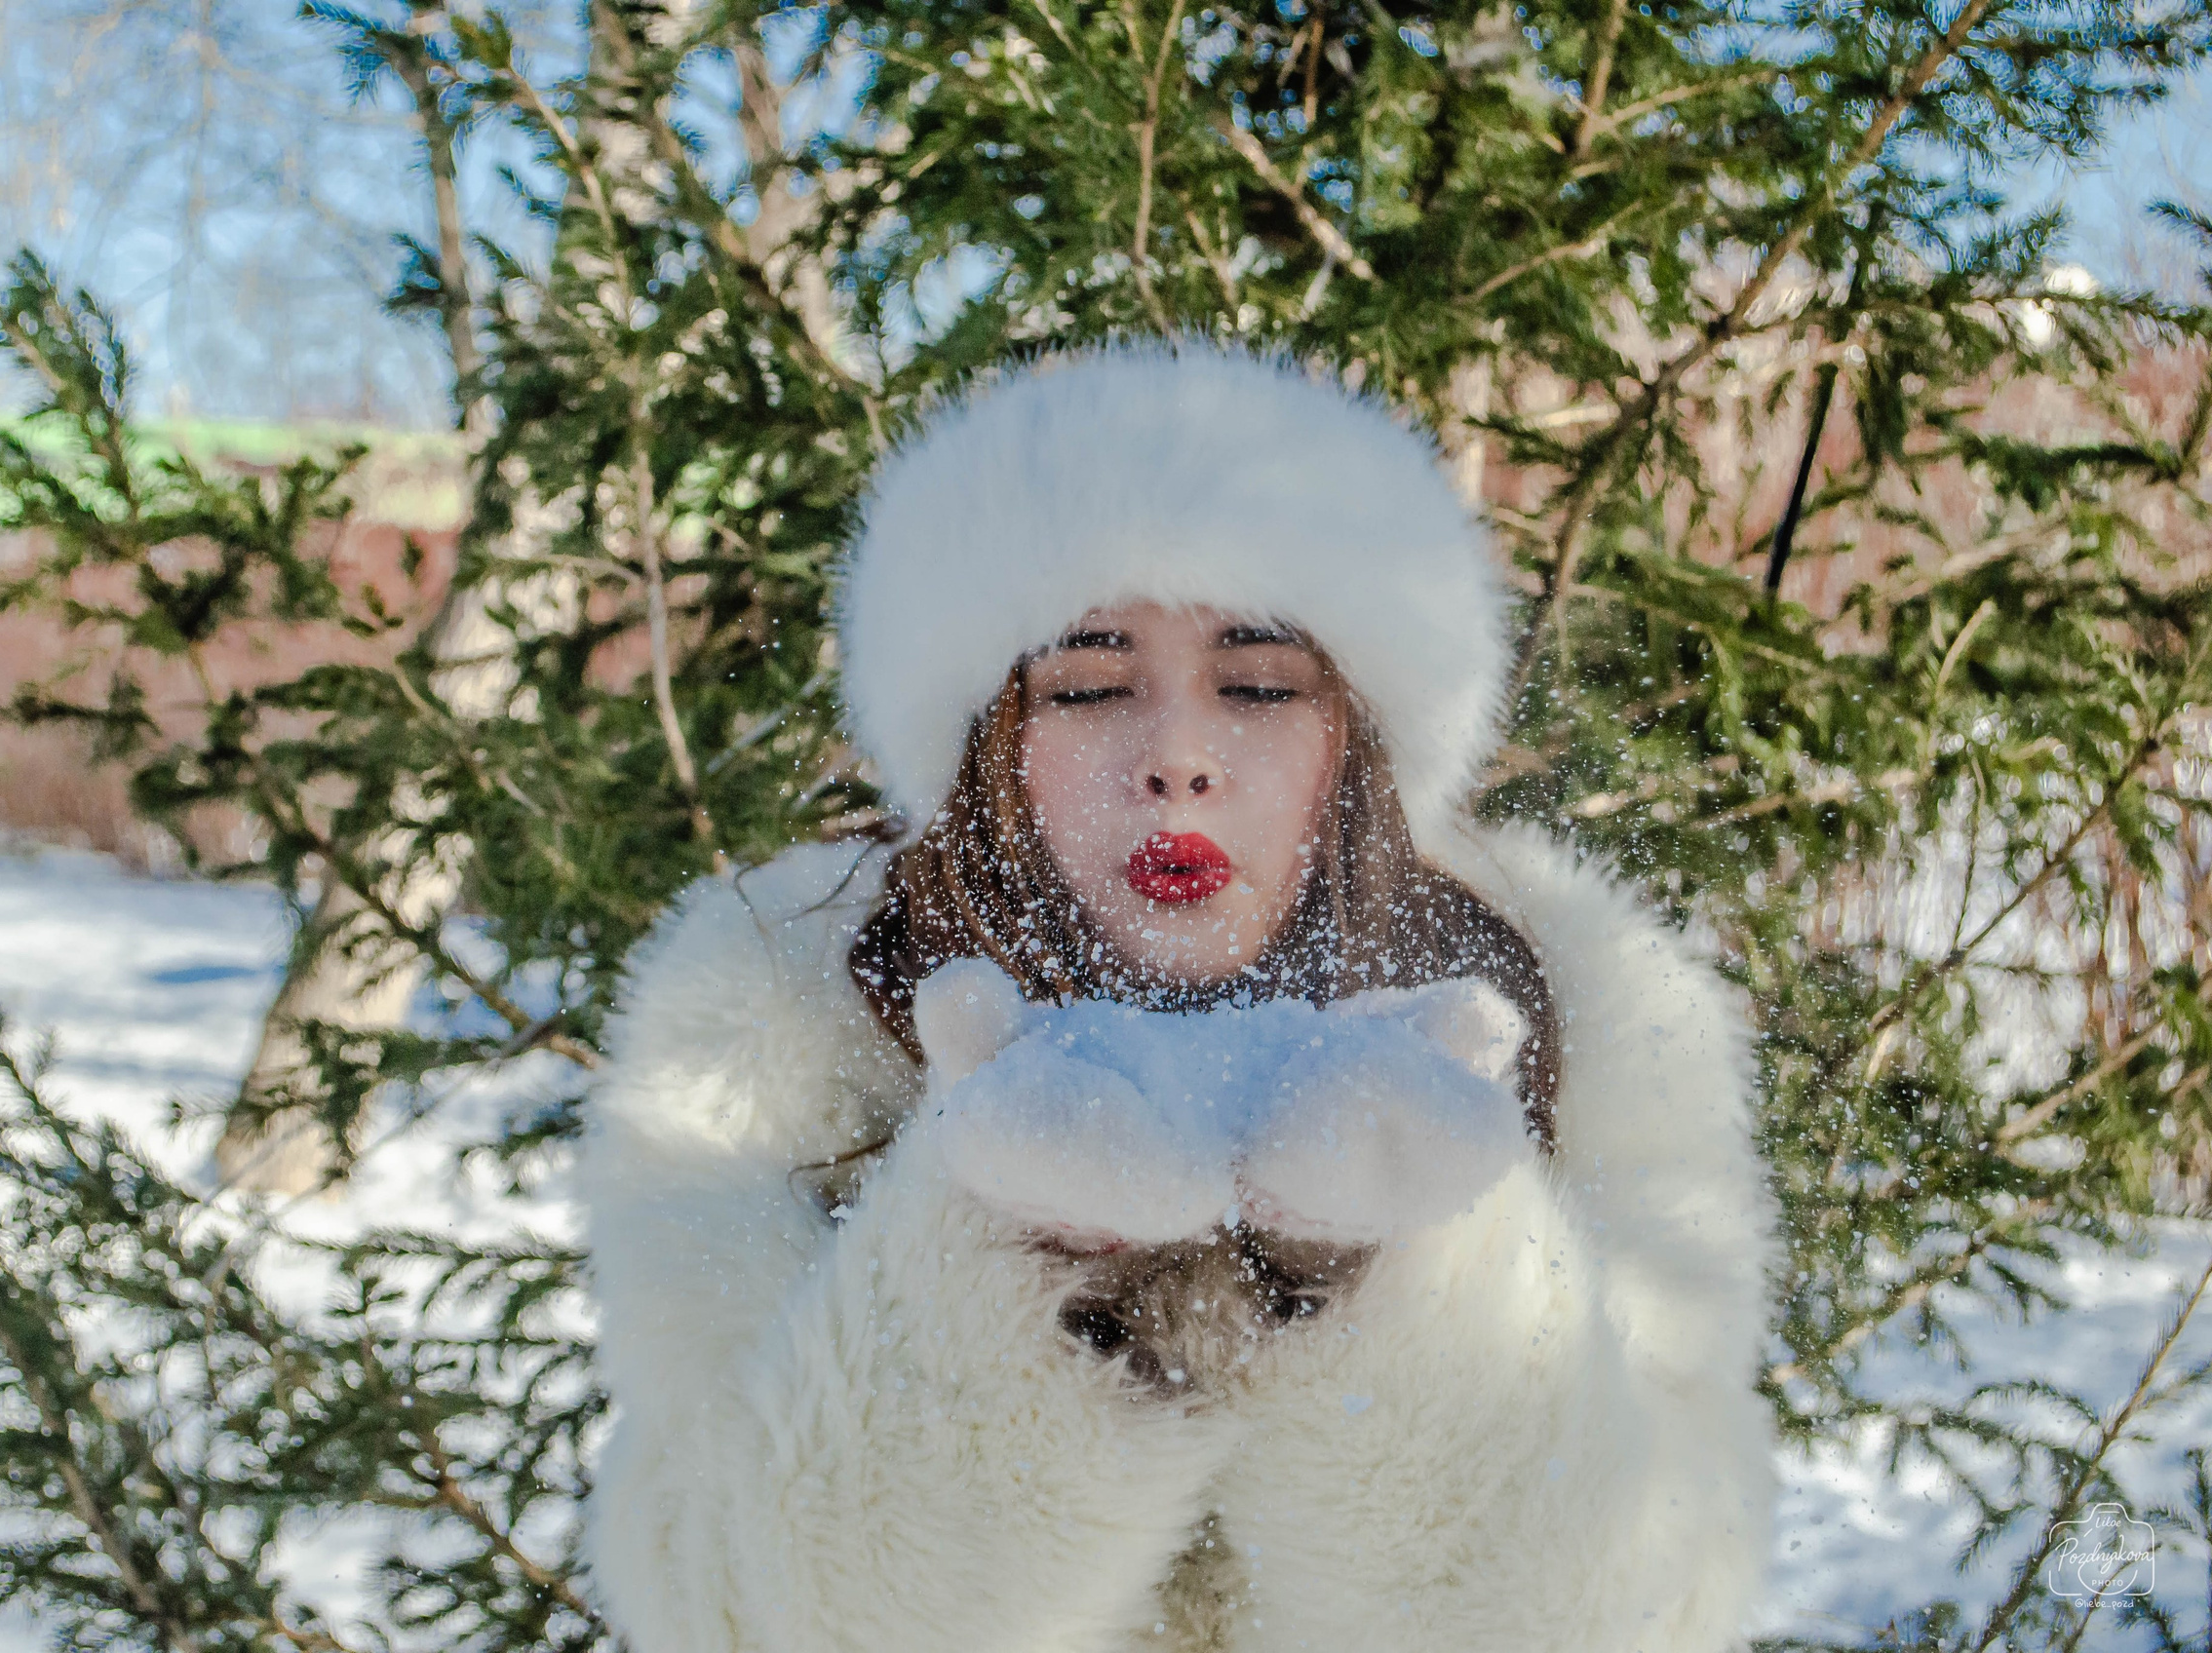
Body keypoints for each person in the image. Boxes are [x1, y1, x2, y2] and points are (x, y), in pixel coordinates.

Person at [570, 339, 1782, 1652]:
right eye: (1089, 688)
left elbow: (1650, 1609)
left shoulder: (1583, 1017)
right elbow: (735, 1616)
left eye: (1258, 685)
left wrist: (1400, 1276)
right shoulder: (774, 1032)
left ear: (1355, 741)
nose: (1179, 761)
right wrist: (993, 1254)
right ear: (990, 745)